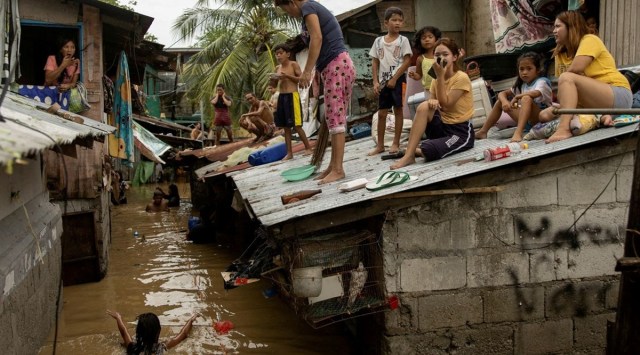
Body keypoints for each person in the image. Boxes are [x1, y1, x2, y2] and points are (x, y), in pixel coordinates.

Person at [275, 0, 356, 185]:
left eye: (285, 8)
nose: (287, 13)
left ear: (293, 2)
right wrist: (318, 72)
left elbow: (317, 38)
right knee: (331, 118)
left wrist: (307, 71)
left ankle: (338, 169)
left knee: (336, 119)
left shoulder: (307, 7)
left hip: (337, 64)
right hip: (332, 66)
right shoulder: (307, 12)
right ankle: (332, 166)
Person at [542, 10, 632, 143]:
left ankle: (564, 129)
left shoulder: (590, 39)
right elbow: (562, 91)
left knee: (567, 77)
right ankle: (600, 117)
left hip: (617, 94)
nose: (554, 31)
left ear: (571, 26)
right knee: (543, 115)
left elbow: (576, 69)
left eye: (558, 26)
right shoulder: (559, 55)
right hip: (591, 103)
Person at [390, 38, 474, 170]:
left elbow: (446, 105)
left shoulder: (461, 77)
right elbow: (434, 101)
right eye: (437, 55)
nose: (441, 58)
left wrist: (440, 77)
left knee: (428, 149)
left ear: (455, 57)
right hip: (442, 126)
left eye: (445, 54)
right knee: (424, 106)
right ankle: (409, 155)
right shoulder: (436, 78)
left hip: (459, 132)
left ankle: (418, 149)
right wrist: (432, 99)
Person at [475, 52, 552, 142]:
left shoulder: (542, 81)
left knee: (526, 98)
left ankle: (518, 133)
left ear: (538, 70)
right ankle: (483, 131)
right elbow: (502, 94)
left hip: (542, 120)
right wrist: (504, 102)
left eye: (529, 69)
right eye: (521, 69)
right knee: (500, 101)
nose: (524, 72)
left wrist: (517, 97)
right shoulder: (522, 85)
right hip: (528, 122)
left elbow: (535, 93)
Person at [368, 7, 413, 156]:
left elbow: (407, 61)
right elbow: (375, 62)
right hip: (383, 82)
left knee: (398, 110)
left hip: (398, 80)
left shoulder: (403, 40)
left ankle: (395, 143)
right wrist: (375, 82)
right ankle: (380, 145)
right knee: (382, 113)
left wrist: (394, 78)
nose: (398, 23)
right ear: (386, 23)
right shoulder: (378, 41)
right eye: (394, 20)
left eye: (400, 20)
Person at [272, 43, 313, 159]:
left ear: (288, 54)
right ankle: (289, 153)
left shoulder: (293, 64)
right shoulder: (277, 68)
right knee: (285, 127)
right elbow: (274, 84)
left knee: (297, 125)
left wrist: (287, 77)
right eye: (276, 54)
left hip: (292, 96)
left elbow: (301, 79)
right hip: (282, 97)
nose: (278, 56)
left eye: (281, 53)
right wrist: (273, 79)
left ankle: (308, 147)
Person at [107, 310, 199, 354]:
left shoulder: (132, 347)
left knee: (122, 344)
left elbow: (123, 331)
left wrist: (118, 318)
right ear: (158, 331)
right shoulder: (162, 348)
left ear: (138, 332)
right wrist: (191, 320)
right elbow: (183, 334)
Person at [408, 26, 442, 100]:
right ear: (419, 42)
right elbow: (419, 75)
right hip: (428, 90)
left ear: (436, 39)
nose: (427, 39)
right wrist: (414, 75)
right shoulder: (420, 58)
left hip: (443, 87)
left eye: (430, 37)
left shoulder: (442, 56)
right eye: (423, 38)